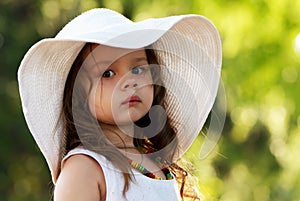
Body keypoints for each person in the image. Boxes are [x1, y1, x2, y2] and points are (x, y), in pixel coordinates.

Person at [18, 8, 222, 201]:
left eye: (137, 70)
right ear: (78, 95)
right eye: (107, 73)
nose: (129, 82)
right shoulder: (85, 168)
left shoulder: (156, 163)